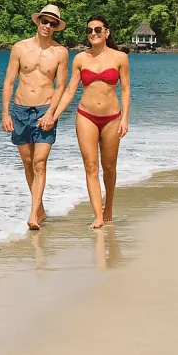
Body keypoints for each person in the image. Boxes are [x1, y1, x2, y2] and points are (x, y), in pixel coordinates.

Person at [0, 1, 73, 229]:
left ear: (56, 27)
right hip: (20, 109)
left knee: (40, 162)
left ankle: (33, 214)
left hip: (44, 109)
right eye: (45, 21)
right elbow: (9, 81)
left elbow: (61, 86)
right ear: (38, 21)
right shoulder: (19, 48)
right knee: (28, 162)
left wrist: (51, 113)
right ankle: (39, 208)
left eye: (53, 23)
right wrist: (5, 113)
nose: (48, 26)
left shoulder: (60, 52)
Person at [55, 15, 130, 229]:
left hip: (112, 117)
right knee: (90, 166)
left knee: (109, 166)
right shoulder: (80, 59)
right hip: (85, 115)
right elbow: (70, 91)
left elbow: (125, 90)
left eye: (98, 30)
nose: (93, 34)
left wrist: (125, 117)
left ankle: (109, 207)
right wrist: (54, 114)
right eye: (89, 31)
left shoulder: (120, 58)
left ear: (107, 32)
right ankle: (98, 214)